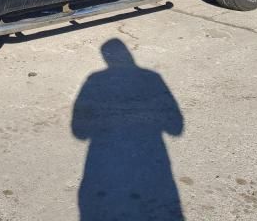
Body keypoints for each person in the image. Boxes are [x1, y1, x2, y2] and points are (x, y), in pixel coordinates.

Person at [72, 39, 184, 220]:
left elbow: (79, 132)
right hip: (153, 166)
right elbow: (176, 128)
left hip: (102, 170)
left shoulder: (94, 79)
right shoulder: (152, 77)